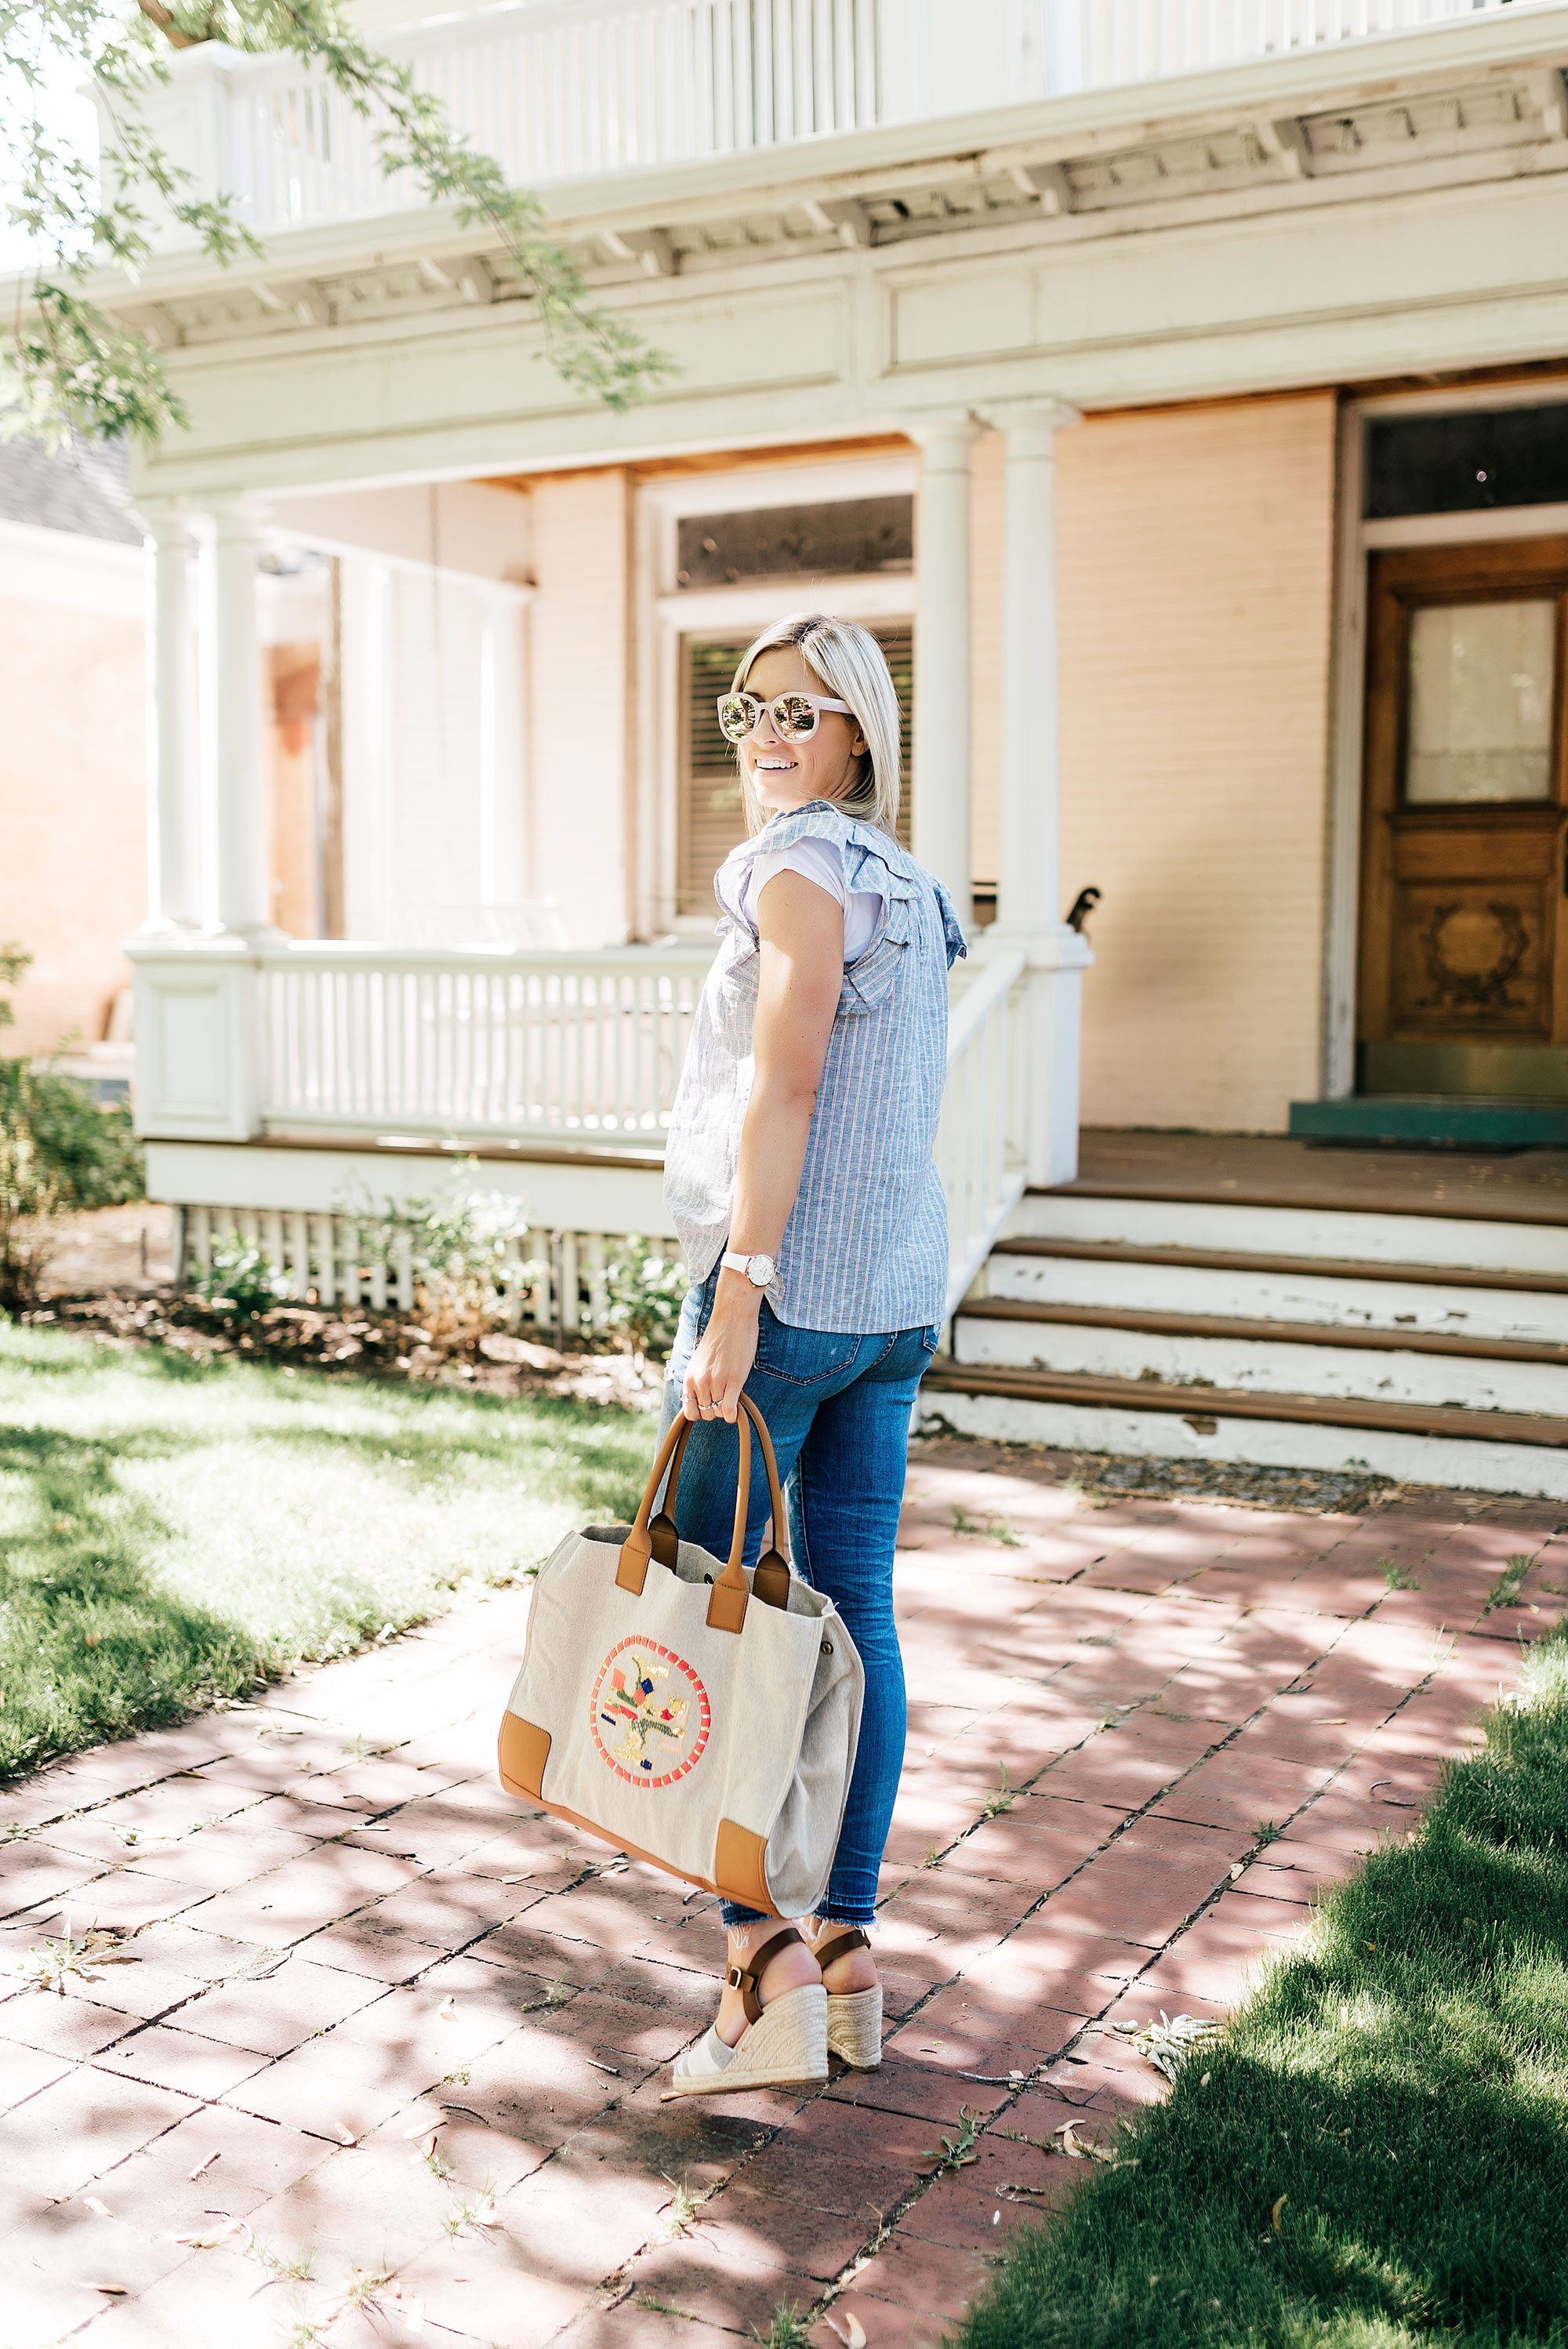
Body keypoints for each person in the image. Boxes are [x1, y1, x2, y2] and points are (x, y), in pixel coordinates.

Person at [655, 611, 965, 2099]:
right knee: (855, 1621)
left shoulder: (797, 871)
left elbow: (784, 1091)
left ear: (859, 731)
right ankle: (846, 1954)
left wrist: (739, 1290)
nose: (770, 735)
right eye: (750, 708)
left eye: (804, 710)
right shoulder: (908, 883)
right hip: (898, 1304)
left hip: (789, 1307)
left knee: (716, 1618)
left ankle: (753, 1966)